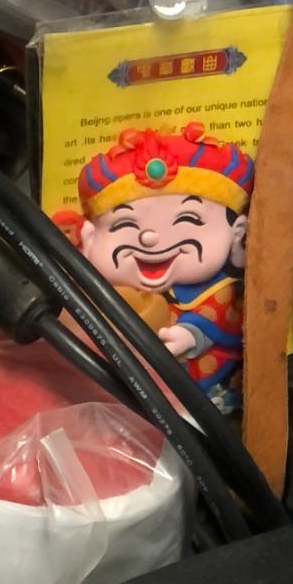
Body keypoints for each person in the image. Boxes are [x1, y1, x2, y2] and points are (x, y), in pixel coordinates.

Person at [55, 123, 252, 411]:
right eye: (124, 224)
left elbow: (225, 321)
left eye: (187, 219)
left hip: (198, 391)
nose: (149, 238)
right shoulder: (100, 291)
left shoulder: (217, 292)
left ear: (238, 234)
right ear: (89, 236)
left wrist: (191, 335)